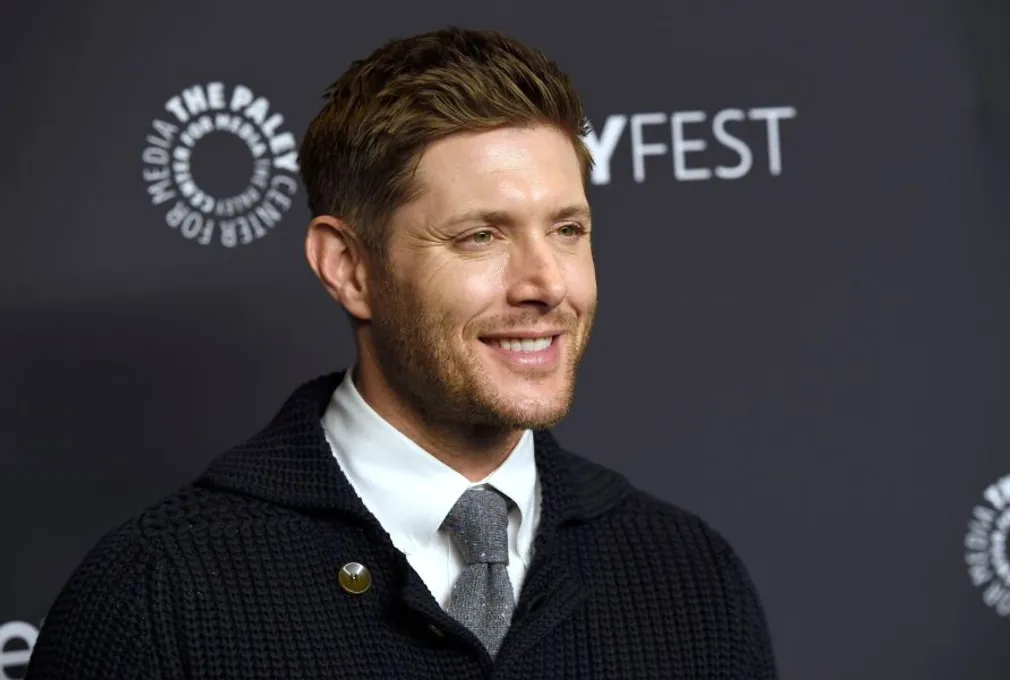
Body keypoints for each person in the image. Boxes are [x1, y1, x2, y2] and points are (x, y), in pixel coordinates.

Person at [26, 26, 777, 679]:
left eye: (568, 231)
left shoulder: (687, 574)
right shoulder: (154, 596)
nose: (547, 284)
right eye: (481, 235)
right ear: (349, 268)